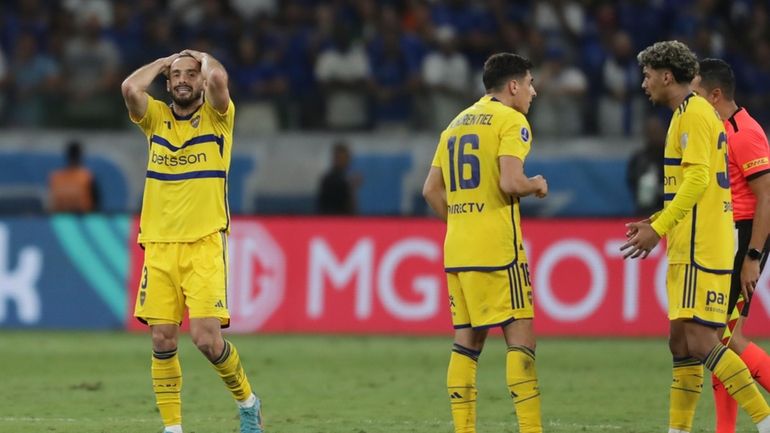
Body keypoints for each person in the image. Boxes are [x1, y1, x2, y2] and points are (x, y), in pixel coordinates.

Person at [622, 40, 770, 433]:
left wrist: (658, 227)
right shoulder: (692, 114)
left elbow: (699, 179)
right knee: (681, 344)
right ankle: (679, 429)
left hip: (701, 245)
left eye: (648, 75)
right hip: (692, 239)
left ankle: (765, 419)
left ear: (667, 75)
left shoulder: (693, 114)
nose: (644, 83)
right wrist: (659, 218)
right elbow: (696, 187)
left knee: (704, 343)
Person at [121, 50, 263, 433]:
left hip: (203, 243)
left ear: (201, 81)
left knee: (205, 340)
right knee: (163, 338)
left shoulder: (219, 119)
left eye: (191, 74)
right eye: (177, 75)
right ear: (168, 83)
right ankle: (172, 428)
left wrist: (203, 57)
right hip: (159, 245)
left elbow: (219, 82)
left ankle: (247, 402)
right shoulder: (156, 119)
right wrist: (164, 61)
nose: (184, 79)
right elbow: (130, 87)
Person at [422, 52, 548, 433]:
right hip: (497, 250)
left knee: (466, 342)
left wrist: (462, 218)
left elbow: (430, 190)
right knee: (521, 340)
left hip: (458, 249)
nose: (533, 91)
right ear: (512, 86)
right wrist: (536, 184)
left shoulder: (456, 124)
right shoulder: (512, 121)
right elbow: (510, 182)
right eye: (529, 83)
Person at [692, 58, 770, 433]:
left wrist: (753, 256)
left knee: (722, 340)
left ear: (716, 94)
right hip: (725, 236)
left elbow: (766, 196)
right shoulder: (715, 129)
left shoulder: (745, 132)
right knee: (721, 339)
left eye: (695, 94)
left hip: (744, 238)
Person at [626, 115, 666, 216]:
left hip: (669, 210)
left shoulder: (673, 157)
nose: (655, 136)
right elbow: (632, 183)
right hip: (646, 211)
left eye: (657, 131)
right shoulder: (639, 159)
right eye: (651, 132)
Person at [48, 140, 98, 213]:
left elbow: (95, 203)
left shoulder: (87, 177)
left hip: (79, 217)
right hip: (65, 217)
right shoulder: (87, 176)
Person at [317, 141, 358, 215]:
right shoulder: (329, 179)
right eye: (339, 158)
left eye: (345, 158)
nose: (342, 161)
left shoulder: (346, 178)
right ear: (334, 159)